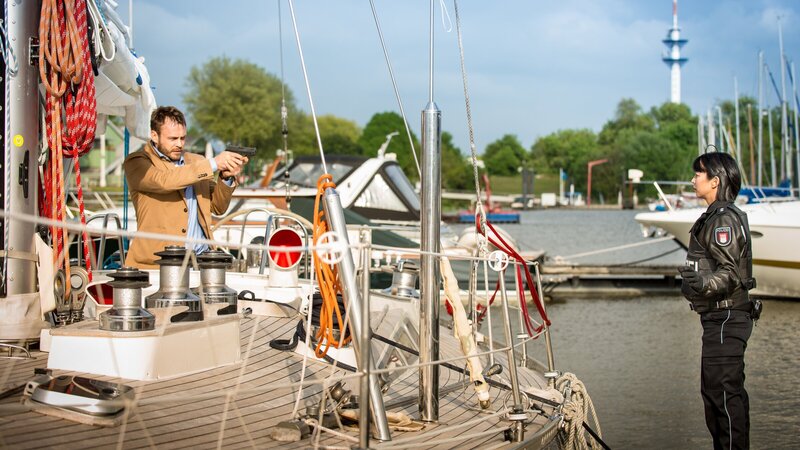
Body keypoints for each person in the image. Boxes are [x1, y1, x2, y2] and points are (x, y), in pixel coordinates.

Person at [677, 152, 758, 450]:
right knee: (716, 398)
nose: (693, 179)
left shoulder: (723, 219)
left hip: (727, 319)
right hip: (717, 321)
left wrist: (702, 283)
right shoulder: (714, 215)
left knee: (724, 399)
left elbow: (731, 274)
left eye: (698, 173)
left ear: (716, 180)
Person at [123, 106, 248, 268]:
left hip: (202, 261)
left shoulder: (196, 161)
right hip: (158, 263)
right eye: (173, 139)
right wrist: (214, 163)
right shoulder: (137, 162)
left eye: (183, 138)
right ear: (154, 135)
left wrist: (226, 176)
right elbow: (165, 181)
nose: (179, 144)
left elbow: (217, 207)